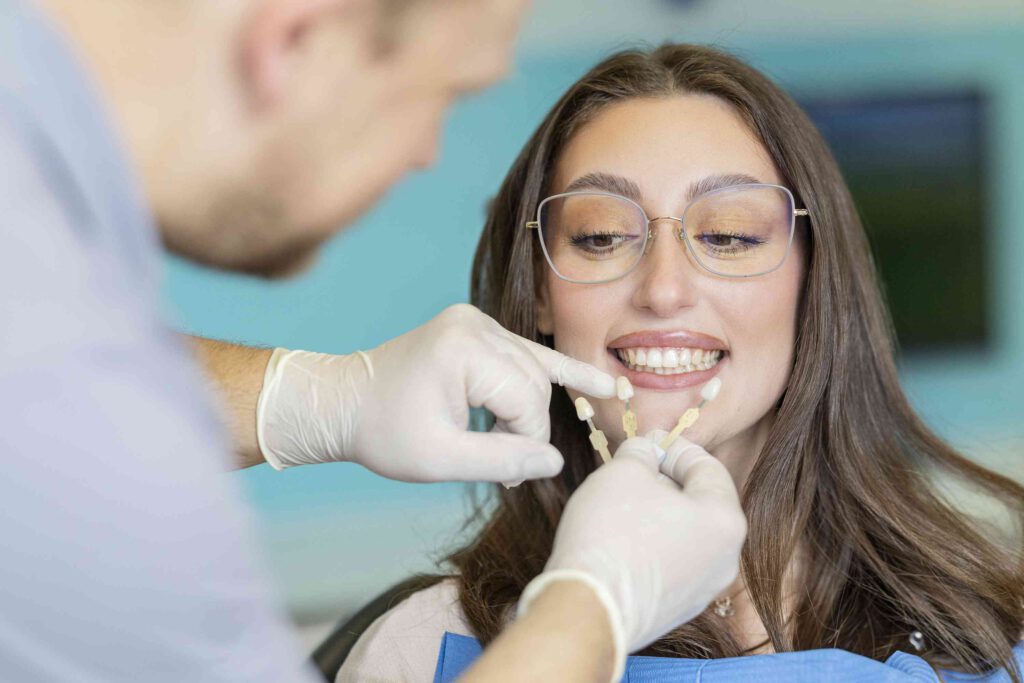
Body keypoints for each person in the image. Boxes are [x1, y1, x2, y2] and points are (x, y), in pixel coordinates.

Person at [1, 1, 747, 681]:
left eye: (732, 234)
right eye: (443, 96)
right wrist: (593, 609)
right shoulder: (91, 438)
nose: (426, 152)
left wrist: (308, 398)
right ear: (296, 36)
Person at [337, 43, 1024, 682]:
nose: (664, 289)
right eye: (602, 236)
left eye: (728, 235)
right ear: (540, 291)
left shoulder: (991, 641)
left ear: (815, 280)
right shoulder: (422, 647)